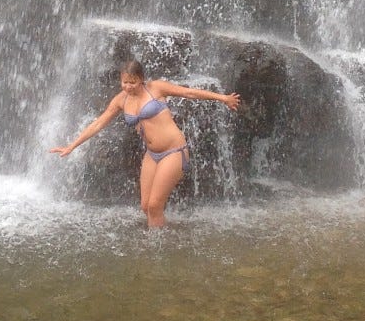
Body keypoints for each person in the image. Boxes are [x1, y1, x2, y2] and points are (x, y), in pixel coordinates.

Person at [50, 58, 241, 228]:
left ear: (141, 78)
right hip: (152, 154)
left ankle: (156, 251)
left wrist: (223, 98)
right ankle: (163, 234)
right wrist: (72, 146)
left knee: (154, 206)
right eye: (125, 82)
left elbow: (189, 93)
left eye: (133, 82)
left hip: (174, 151)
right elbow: (99, 123)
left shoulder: (156, 88)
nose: (128, 87)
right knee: (145, 206)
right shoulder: (121, 100)